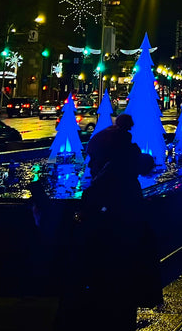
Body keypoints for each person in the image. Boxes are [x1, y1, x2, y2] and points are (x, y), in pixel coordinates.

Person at [54, 112, 163, 329]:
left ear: (105, 156)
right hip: (123, 272)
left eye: (94, 156)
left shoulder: (108, 185)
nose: (91, 163)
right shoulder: (125, 178)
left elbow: (92, 224)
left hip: (108, 275)